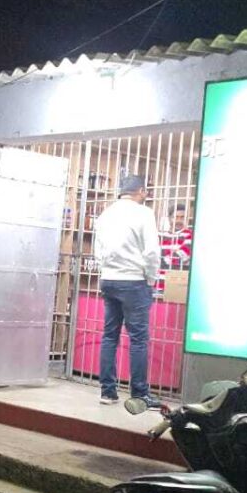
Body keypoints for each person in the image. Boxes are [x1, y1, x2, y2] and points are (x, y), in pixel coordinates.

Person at [94, 174, 161, 409]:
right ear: (141, 191)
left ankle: (108, 392)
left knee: (109, 336)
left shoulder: (106, 214)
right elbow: (151, 251)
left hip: (108, 279)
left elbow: (98, 251)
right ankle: (140, 394)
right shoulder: (144, 213)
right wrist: (151, 277)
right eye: (146, 192)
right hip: (134, 280)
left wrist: (106, 270)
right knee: (138, 339)